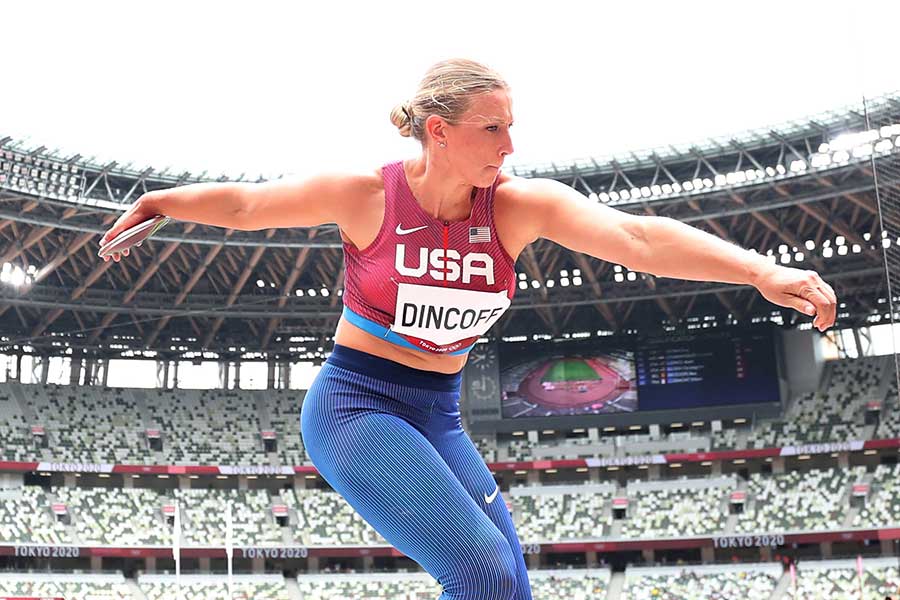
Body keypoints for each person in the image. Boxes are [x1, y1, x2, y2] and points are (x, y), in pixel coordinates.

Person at [99, 58, 837, 600]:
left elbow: (636, 239)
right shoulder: (366, 196)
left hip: (436, 415)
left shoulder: (516, 206)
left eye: (511, 127)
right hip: (357, 408)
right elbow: (247, 206)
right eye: (493, 128)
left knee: (510, 582)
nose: (509, 145)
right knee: (480, 569)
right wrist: (161, 203)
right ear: (439, 132)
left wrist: (758, 271)